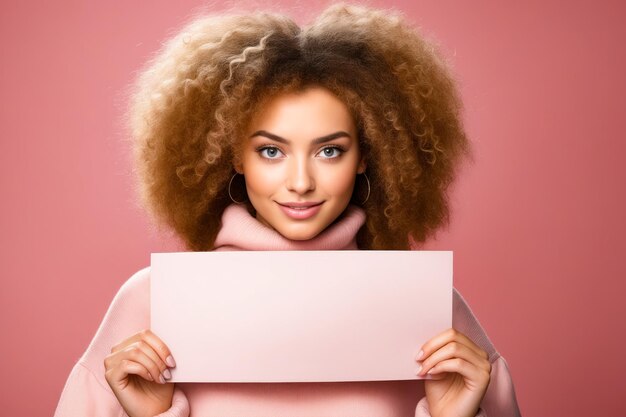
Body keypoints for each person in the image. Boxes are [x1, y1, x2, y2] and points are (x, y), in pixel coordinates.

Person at [54, 3, 521, 417]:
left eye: (330, 151)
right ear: (236, 156)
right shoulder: (151, 303)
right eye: (271, 151)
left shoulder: (432, 309)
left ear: (366, 156)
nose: (300, 183)